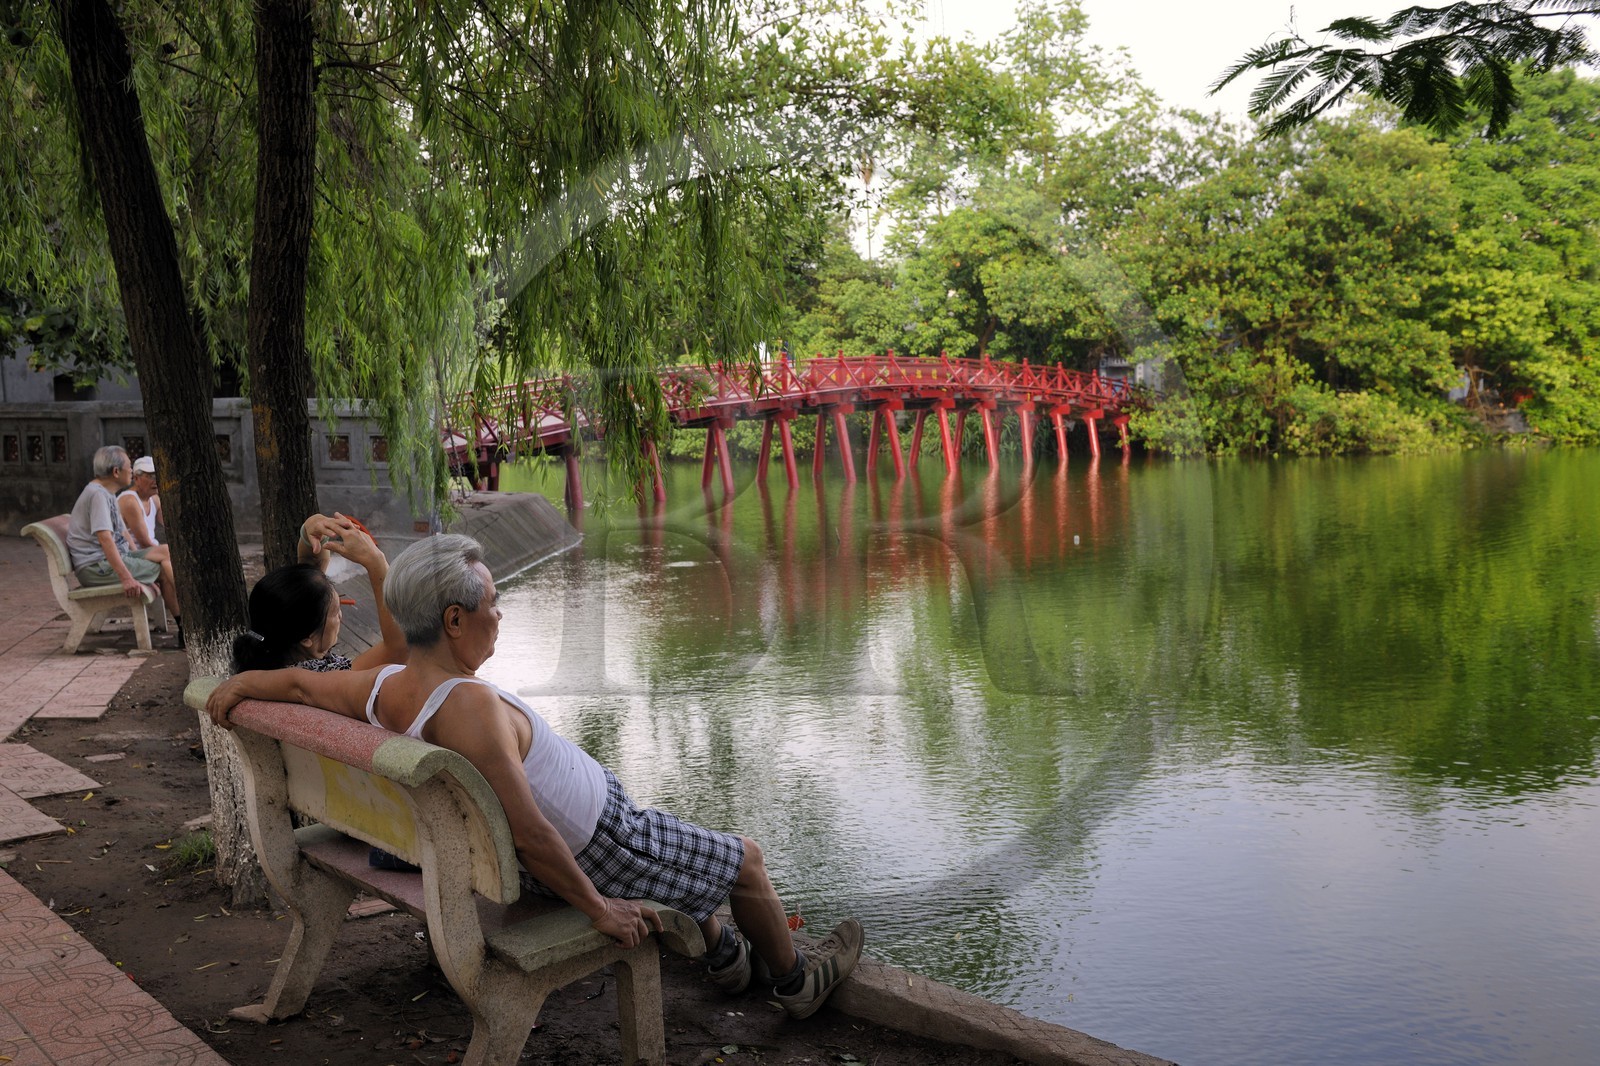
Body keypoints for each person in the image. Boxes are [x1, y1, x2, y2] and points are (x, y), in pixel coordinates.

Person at [208, 534, 863, 1019]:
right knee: (746, 860)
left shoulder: (381, 686)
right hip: (604, 846)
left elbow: (299, 682)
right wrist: (599, 909)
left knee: (684, 849)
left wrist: (240, 684)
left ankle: (726, 960)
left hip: (575, 843)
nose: (501, 615)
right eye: (493, 603)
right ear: (454, 619)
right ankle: (797, 983)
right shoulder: (469, 709)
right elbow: (530, 832)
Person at [231, 512, 407, 673]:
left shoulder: (267, 661)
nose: (341, 617)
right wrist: (376, 560)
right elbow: (400, 648)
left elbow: (308, 585)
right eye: (335, 612)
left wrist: (311, 532)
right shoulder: (323, 680)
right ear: (306, 638)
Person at [67, 444, 182, 632]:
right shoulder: (97, 496)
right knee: (163, 569)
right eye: (129, 467)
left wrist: (139, 559)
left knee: (166, 551)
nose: (131, 471)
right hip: (96, 568)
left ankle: (190, 618)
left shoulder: (107, 493)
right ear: (116, 471)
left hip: (111, 560)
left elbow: (123, 533)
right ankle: (187, 623)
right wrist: (127, 578)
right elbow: (105, 539)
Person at [117, 455, 162, 549]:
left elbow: (171, 526)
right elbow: (145, 544)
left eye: (158, 475)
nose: (156, 480)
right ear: (136, 479)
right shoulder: (130, 501)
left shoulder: (154, 499)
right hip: (132, 553)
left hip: (150, 550)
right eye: (151, 476)